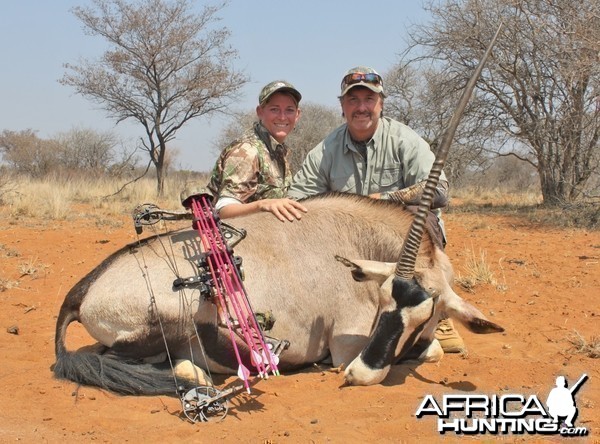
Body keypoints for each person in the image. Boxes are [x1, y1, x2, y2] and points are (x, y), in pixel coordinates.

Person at [288, 66, 464, 353]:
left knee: (424, 219)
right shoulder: (327, 149)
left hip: (398, 245)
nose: (361, 108)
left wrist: (385, 199)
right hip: (350, 246)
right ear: (342, 106)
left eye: (368, 100)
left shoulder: (404, 139)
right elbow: (297, 198)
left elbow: (440, 191)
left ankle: (437, 316)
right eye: (352, 100)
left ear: (381, 104)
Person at [205, 80, 308, 222]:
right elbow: (224, 211)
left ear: (297, 115)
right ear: (260, 112)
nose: (282, 117)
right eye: (274, 109)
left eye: (289, 110)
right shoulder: (247, 151)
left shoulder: (278, 150)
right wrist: (263, 205)